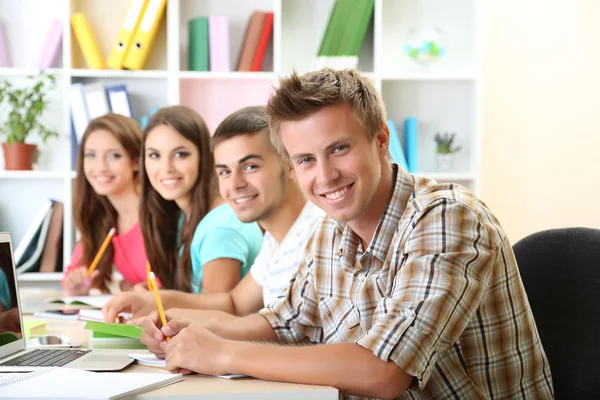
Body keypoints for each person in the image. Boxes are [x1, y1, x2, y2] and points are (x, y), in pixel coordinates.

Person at [144, 69, 554, 399]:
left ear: (380, 140)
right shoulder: (329, 228)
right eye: (306, 159)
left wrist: (223, 352)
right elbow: (286, 324)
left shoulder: (448, 218)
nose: (324, 176)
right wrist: (191, 331)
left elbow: (385, 371)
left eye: (339, 148)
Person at [102, 106, 323, 324]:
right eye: (225, 171)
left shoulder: (320, 237)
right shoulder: (276, 241)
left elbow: (295, 339)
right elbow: (234, 304)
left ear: (290, 164)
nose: (234, 184)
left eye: (250, 166)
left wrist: (205, 343)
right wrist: (156, 304)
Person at [135, 106, 262, 294]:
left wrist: (158, 302)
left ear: (204, 157)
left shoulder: (221, 228)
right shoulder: (183, 217)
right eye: (155, 155)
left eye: (180, 154)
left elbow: (215, 315)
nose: (166, 168)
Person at [63, 114, 147, 295]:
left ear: (136, 162)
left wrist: (136, 290)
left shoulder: (157, 214)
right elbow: (73, 274)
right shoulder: (102, 218)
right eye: (91, 155)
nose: (100, 167)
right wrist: (76, 287)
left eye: (114, 156)